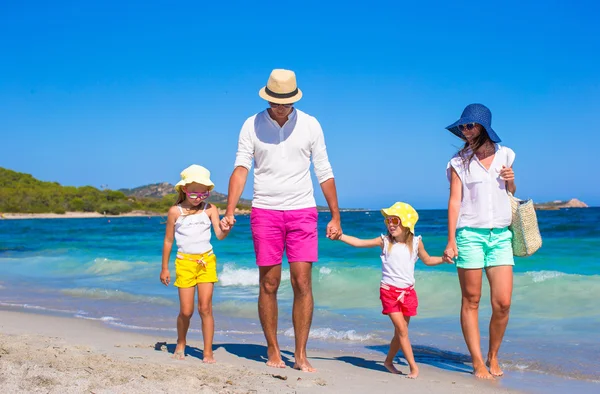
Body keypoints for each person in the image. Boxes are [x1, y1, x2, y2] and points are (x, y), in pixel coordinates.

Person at [221, 69, 342, 372]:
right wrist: (229, 209)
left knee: (302, 281)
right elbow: (240, 167)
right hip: (265, 211)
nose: (280, 107)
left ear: (294, 98)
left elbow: (324, 170)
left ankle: (300, 354)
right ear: (267, 97)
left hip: (303, 210)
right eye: (275, 101)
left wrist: (335, 215)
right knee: (269, 282)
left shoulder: (311, 125)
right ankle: (273, 349)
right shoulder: (251, 125)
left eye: (286, 102)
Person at [337, 202, 452, 378]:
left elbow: (428, 260)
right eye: (388, 221)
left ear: (406, 224)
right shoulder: (384, 242)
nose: (390, 224)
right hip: (389, 292)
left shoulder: (416, 243)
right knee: (403, 331)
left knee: (400, 334)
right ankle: (414, 367)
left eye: (395, 220)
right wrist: (340, 236)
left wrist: (443, 260)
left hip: (408, 293)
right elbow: (360, 243)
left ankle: (388, 361)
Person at [443, 104, 516, 379]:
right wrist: (451, 240)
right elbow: (454, 202)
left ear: (484, 127)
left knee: (503, 303)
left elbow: (510, 192)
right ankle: (476, 361)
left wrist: (511, 181)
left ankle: (493, 355)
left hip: (500, 235)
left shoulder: (506, 154)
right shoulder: (458, 162)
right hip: (469, 235)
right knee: (471, 299)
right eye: (462, 126)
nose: (465, 130)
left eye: (470, 125)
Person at [160, 164, 230, 363]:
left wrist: (226, 228)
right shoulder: (175, 211)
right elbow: (168, 241)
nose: (199, 196)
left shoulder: (211, 210)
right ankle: (181, 341)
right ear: (184, 189)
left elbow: (219, 235)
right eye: (194, 192)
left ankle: (207, 351)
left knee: (205, 308)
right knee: (186, 311)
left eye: (204, 192)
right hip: (184, 263)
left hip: (206, 261)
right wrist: (165, 268)